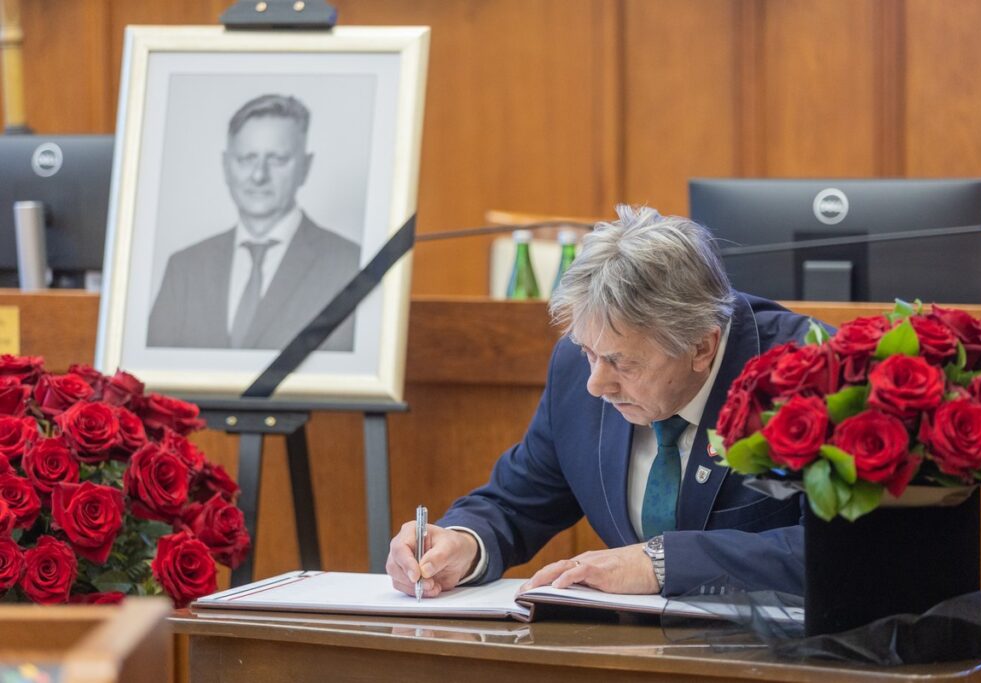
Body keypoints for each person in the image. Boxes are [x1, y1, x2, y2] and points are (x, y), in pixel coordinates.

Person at [387, 205, 815, 599]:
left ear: (702, 347)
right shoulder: (577, 370)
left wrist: (662, 564)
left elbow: (845, 548)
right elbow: (517, 501)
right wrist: (463, 542)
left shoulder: (810, 372)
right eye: (589, 352)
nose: (596, 384)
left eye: (620, 362)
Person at [147, 94, 361, 351]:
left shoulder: (349, 265)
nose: (259, 175)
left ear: (305, 166)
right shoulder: (185, 268)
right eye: (247, 158)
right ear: (226, 166)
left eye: (277, 159)